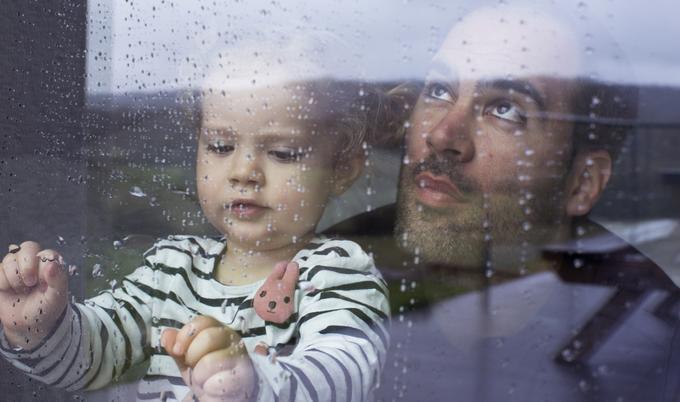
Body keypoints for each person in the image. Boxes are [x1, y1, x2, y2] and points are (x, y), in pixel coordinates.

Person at [0, 37, 390, 401]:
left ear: (341, 169)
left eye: (283, 153)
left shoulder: (338, 273)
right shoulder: (172, 268)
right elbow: (95, 358)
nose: (244, 171)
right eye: (221, 146)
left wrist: (254, 383)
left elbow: (346, 371)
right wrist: (41, 327)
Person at [329, 4, 680, 401]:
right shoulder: (315, 282)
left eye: (506, 109)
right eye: (440, 89)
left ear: (582, 183)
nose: (443, 135)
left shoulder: (655, 351)